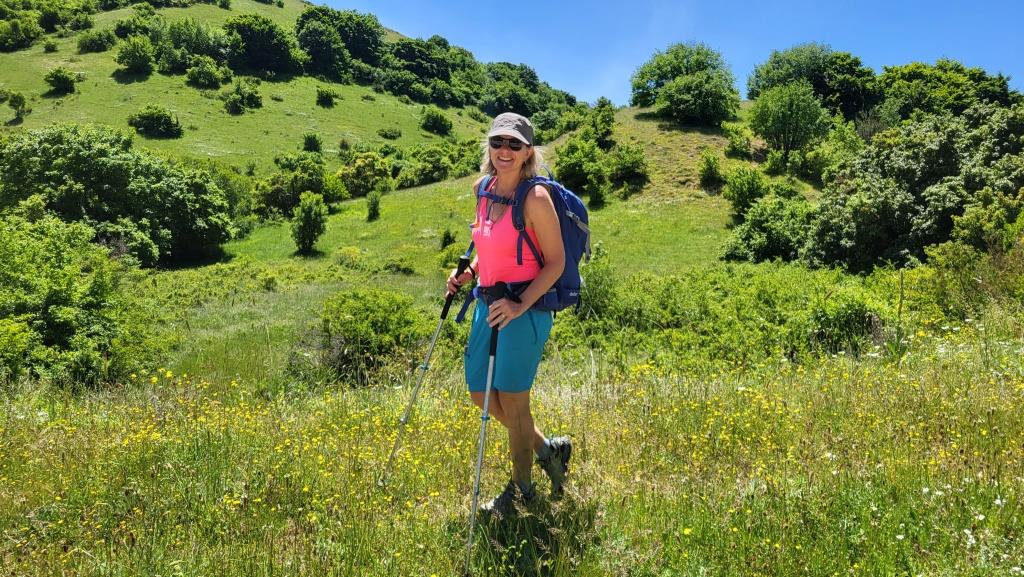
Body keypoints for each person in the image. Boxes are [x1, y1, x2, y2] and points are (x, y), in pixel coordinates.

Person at [447, 112, 572, 516]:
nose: (505, 150)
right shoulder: (483, 189)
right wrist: (468, 273)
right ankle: (548, 451)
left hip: (524, 309)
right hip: (488, 304)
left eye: (514, 144)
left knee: (515, 403)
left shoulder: (536, 199)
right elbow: (488, 248)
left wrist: (520, 305)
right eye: (498, 142)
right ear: (489, 146)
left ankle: (521, 493)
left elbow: (555, 262)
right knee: (480, 394)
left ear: (527, 152)